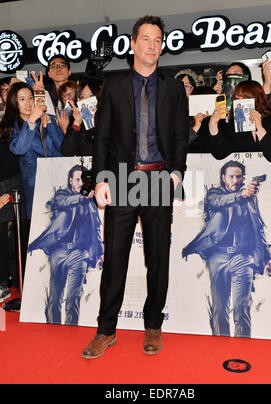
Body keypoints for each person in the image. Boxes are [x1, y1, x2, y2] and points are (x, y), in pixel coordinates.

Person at [82, 15, 189, 359]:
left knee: (157, 257)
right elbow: (102, 138)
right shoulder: (113, 85)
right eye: (146, 39)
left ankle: (154, 326)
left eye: (158, 40)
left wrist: (177, 173)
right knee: (114, 258)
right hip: (122, 178)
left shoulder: (172, 86)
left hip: (159, 177)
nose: (153, 45)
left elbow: (179, 135)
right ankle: (105, 330)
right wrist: (100, 177)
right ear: (133, 44)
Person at [182, 160, 271, 338]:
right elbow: (218, 202)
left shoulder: (250, 198)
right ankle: (220, 348)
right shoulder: (214, 194)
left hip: (243, 257)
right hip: (218, 256)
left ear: (243, 178)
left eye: (238, 176)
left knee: (242, 307)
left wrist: (265, 258)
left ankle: (242, 348)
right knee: (220, 308)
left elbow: (257, 227)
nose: (235, 180)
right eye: (231, 176)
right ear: (224, 178)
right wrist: (242, 195)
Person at [28, 164, 103, 326]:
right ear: (70, 180)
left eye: (83, 180)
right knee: (55, 298)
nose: (80, 183)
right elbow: (63, 202)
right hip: (59, 252)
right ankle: (52, 330)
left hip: (80, 253)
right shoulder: (62, 194)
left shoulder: (90, 202)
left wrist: (99, 253)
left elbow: (96, 227)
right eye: (77, 179)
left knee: (73, 299)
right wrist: (83, 196)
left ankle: (71, 332)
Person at [1, 82, 64, 220]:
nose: (28, 103)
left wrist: (51, 125)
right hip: (35, 186)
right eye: (22, 99)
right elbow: (18, 149)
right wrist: (31, 120)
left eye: (30, 98)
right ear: (14, 102)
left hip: (60, 181)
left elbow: (62, 149)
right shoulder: (12, 127)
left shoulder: (47, 119)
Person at [202, 80, 271, 163]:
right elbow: (219, 153)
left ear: (257, 99)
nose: (241, 102)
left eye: (246, 98)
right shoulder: (234, 124)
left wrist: (260, 128)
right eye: (237, 98)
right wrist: (213, 124)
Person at [0, 115, 28, 304]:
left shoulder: (6, 131)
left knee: (12, 238)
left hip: (11, 185)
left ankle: (8, 284)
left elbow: (11, 164)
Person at [61, 80, 101, 156]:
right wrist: (77, 123)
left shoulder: (109, 119)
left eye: (91, 96)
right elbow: (66, 152)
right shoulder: (77, 124)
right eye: (82, 97)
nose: (87, 100)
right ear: (78, 100)